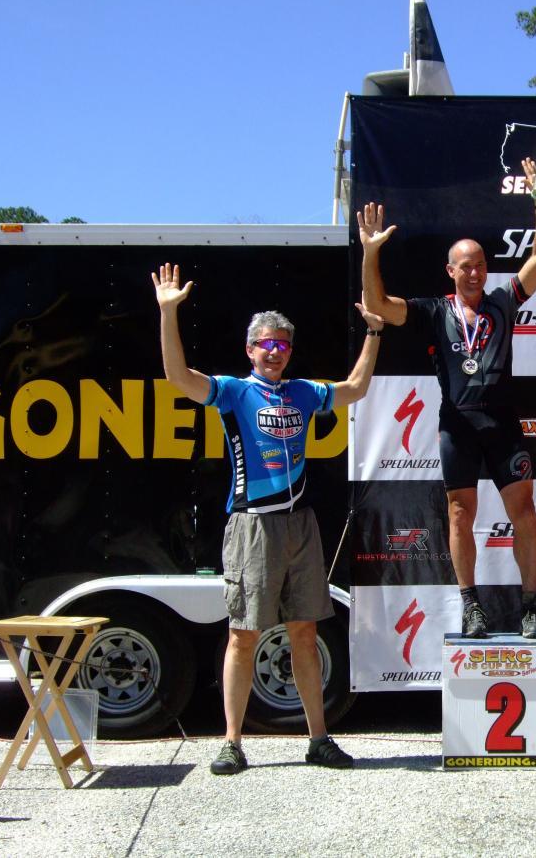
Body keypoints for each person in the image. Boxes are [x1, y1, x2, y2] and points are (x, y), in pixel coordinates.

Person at [152, 262, 383, 775]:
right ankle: (232, 741)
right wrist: (169, 314)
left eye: (282, 345)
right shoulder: (234, 392)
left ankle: (318, 738)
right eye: (266, 344)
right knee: (244, 633)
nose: (275, 352)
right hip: (252, 523)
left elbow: (356, 388)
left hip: (300, 524)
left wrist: (372, 331)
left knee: (305, 632)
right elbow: (176, 377)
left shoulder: (302, 391)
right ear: (249, 349)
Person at [359, 163, 536, 640]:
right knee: (459, 514)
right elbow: (380, 306)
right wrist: (369, 254)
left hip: (503, 421)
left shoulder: (504, 301)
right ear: (451, 271)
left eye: (480, 264)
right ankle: (472, 607)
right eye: (465, 266)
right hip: (457, 426)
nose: (474, 272)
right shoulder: (432, 310)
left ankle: (531, 607)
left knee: (524, 512)